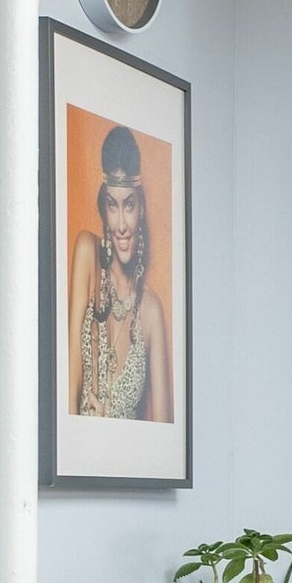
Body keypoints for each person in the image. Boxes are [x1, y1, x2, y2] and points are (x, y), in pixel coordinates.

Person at [69, 122, 169, 423]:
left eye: (129, 205)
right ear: (104, 209)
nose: (122, 224)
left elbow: (166, 436)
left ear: (141, 210)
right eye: (113, 206)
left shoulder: (151, 311)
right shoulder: (87, 253)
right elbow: (67, 401)